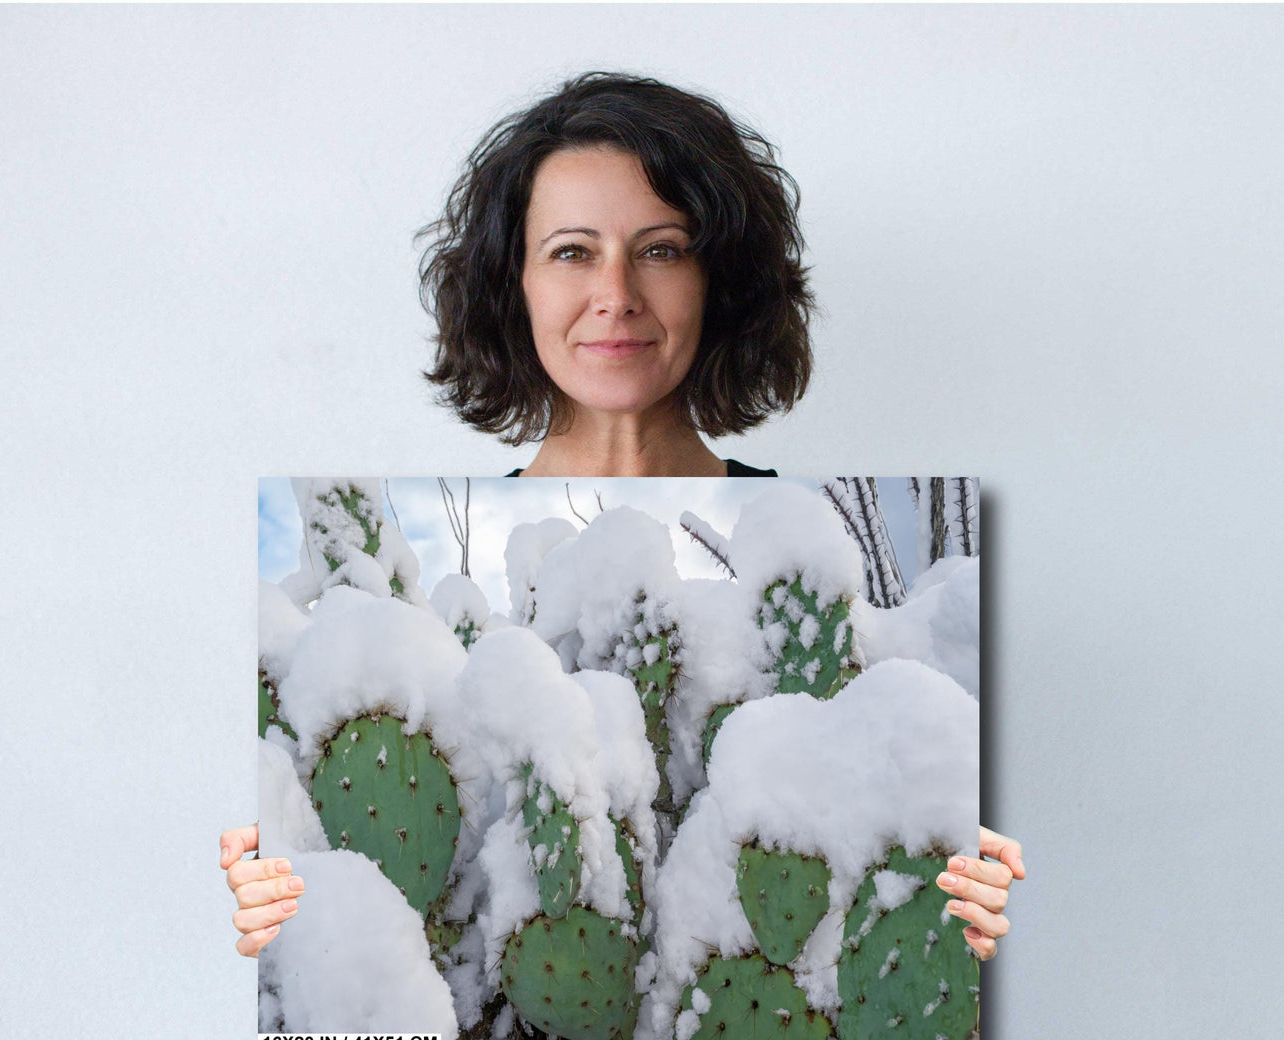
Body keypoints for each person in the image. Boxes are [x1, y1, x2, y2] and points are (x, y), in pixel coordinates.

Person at [226, 72, 1025, 964]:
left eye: (661, 249)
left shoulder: (821, 538)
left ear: (719, 281)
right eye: (571, 251)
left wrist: (982, 894)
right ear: (513, 284)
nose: (616, 294)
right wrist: (258, 907)